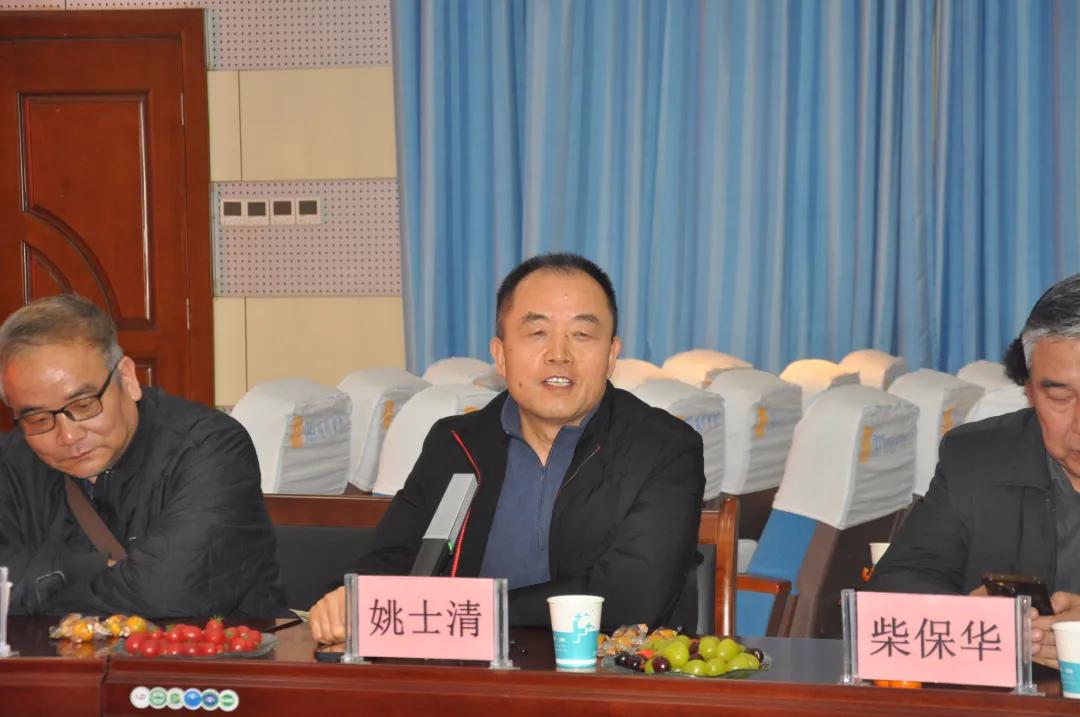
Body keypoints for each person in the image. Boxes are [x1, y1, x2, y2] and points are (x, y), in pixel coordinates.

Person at [310, 253, 705, 643]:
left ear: (612, 355)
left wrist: (466, 611)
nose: (559, 354)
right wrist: (352, 595)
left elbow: (632, 597)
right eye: (537, 333)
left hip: (606, 674)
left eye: (582, 335)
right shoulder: (457, 443)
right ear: (500, 355)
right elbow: (395, 555)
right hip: (463, 671)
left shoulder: (664, 448)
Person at [0, 295, 286, 617]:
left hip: (213, 648)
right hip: (57, 651)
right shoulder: (12, 461)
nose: (68, 436)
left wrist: (30, 588)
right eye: (38, 419)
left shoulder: (209, 447)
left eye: (84, 405)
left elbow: (166, 594)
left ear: (127, 378)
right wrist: (84, 568)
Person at [870, 273, 1080, 668]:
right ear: (1030, 393)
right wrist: (968, 617)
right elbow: (896, 586)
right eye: (1059, 396)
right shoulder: (977, 458)